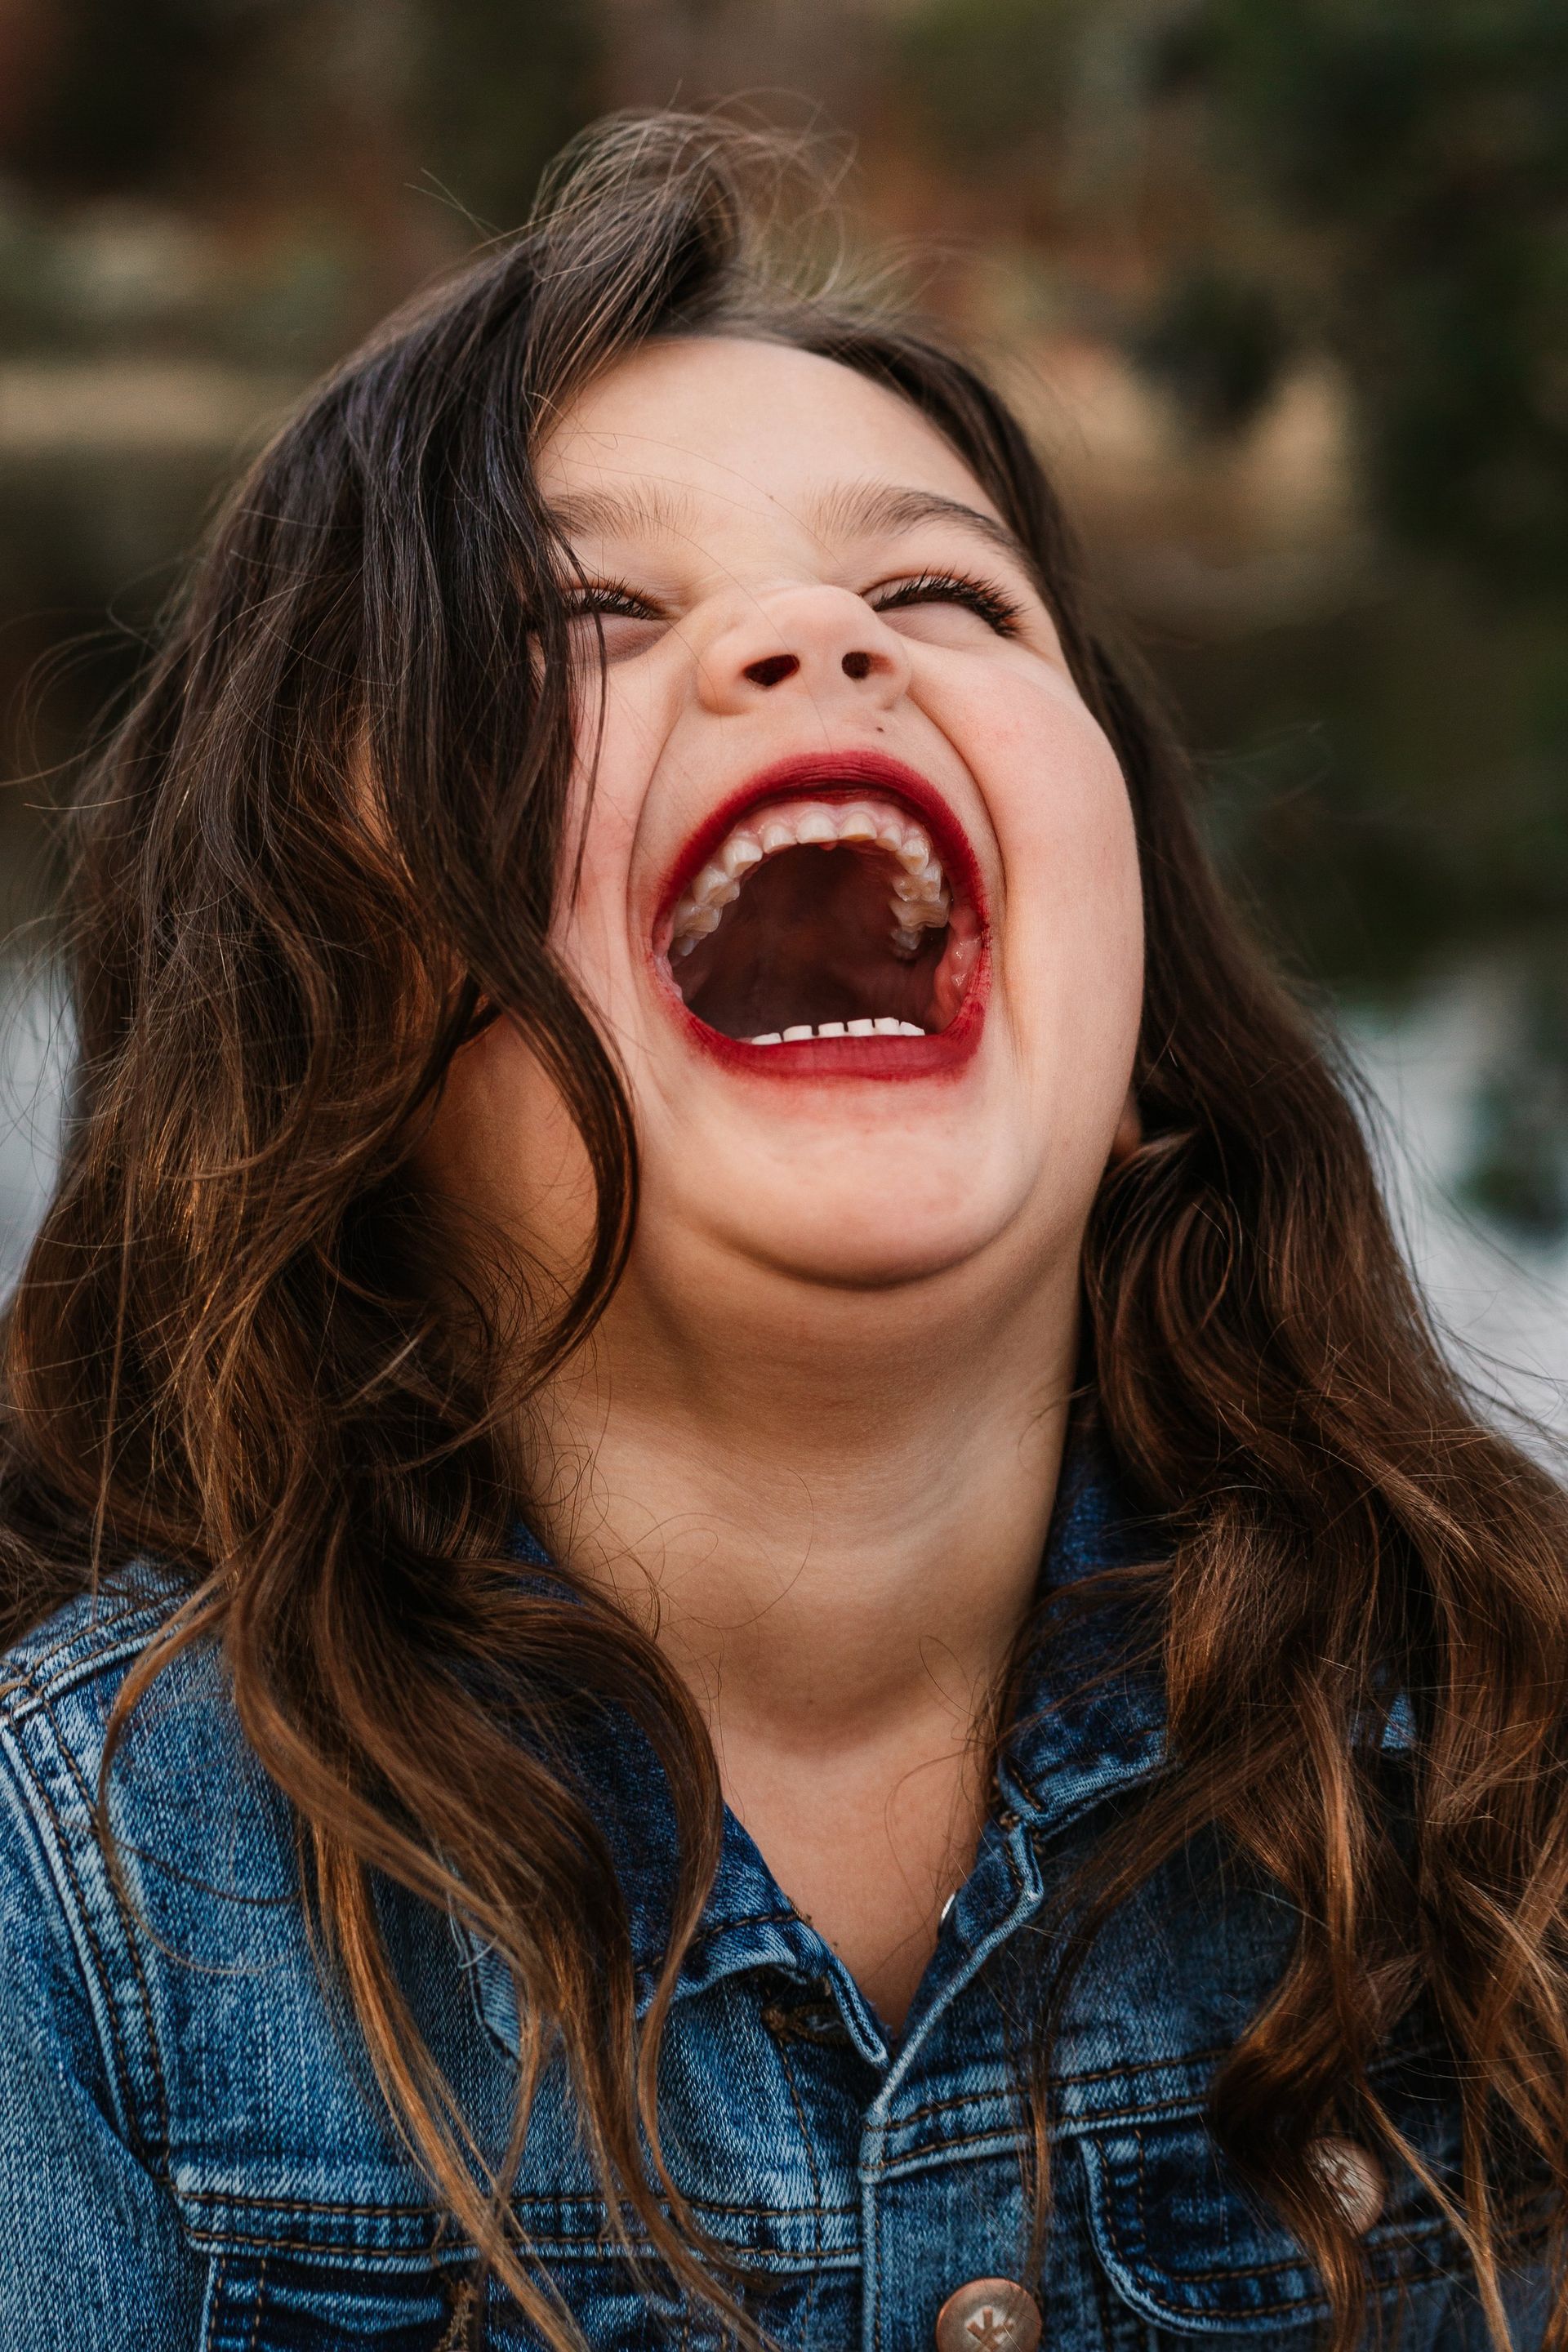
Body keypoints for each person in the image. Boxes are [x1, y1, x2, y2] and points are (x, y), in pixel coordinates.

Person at [0, 111, 1563, 2352]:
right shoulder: (68, 1936)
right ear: (323, 1034)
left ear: (1144, 1035)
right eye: (587, 616)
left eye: (940, 596)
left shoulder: (1503, 1793)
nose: (815, 637)